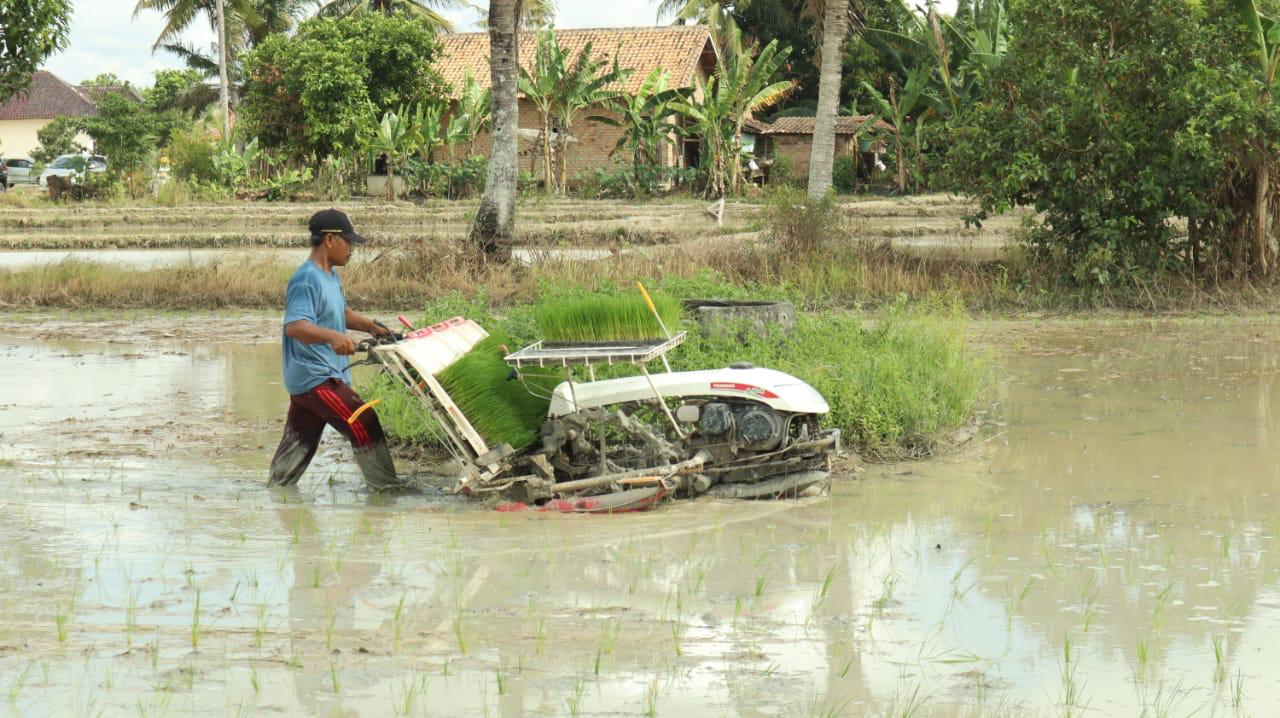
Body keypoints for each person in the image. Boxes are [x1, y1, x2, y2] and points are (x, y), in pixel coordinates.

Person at [267, 209, 402, 491]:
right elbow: (296, 326)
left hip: (319, 375)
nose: (352, 248)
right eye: (348, 241)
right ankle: (387, 490)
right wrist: (332, 337)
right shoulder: (306, 279)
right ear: (330, 239)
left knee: (299, 443)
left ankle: (276, 494)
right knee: (363, 420)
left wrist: (370, 326)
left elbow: (338, 311)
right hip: (316, 377)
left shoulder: (330, 276)